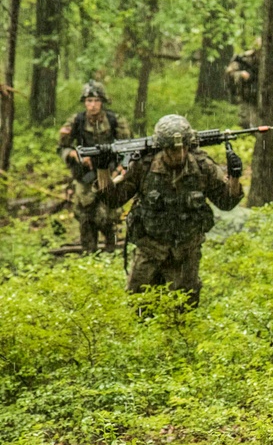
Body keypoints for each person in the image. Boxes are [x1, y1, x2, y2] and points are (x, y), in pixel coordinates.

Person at [100, 114, 244, 308]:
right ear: (162, 148)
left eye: (183, 147)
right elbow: (113, 200)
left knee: (184, 311)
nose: (179, 153)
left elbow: (226, 202)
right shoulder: (144, 166)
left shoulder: (202, 166)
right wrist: (102, 169)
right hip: (149, 250)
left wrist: (234, 177)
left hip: (186, 253)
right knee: (139, 308)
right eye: (173, 149)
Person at [57, 80, 131, 253]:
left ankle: (110, 249)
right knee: (84, 214)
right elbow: (62, 148)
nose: (92, 105)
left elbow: (127, 149)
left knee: (108, 215)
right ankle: (89, 253)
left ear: (102, 102)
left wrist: (120, 170)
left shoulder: (115, 121)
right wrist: (77, 155)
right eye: (89, 101)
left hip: (110, 173)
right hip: (85, 175)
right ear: (84, 102)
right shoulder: (76, 121)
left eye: (96, 101)